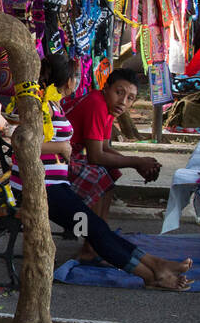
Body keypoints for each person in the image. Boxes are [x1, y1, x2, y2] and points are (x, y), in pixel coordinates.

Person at [9, 56, 192, 290]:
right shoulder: (36, 104)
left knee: (97, 228)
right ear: (70, 81)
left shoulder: (50, 103)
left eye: (130, 97)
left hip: (54, 186)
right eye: (76, 77)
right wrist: (61, 148)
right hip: (39, 190)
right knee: (95, 229)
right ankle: (151, 273)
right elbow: (19, 140)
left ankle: (155, 267)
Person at [66, 68, 163, 230]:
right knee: (97, 176)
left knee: (111, 172)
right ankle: (91, 245)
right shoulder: (96, 104)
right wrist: (137, 162)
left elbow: (104, 147)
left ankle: (102, 233)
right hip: (53, 158)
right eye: (119, 92)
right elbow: (95, 156)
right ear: (106, 88)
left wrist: (139, 163)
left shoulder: (109, 108)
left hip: (67, 155)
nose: (123, 101)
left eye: (130, 98)